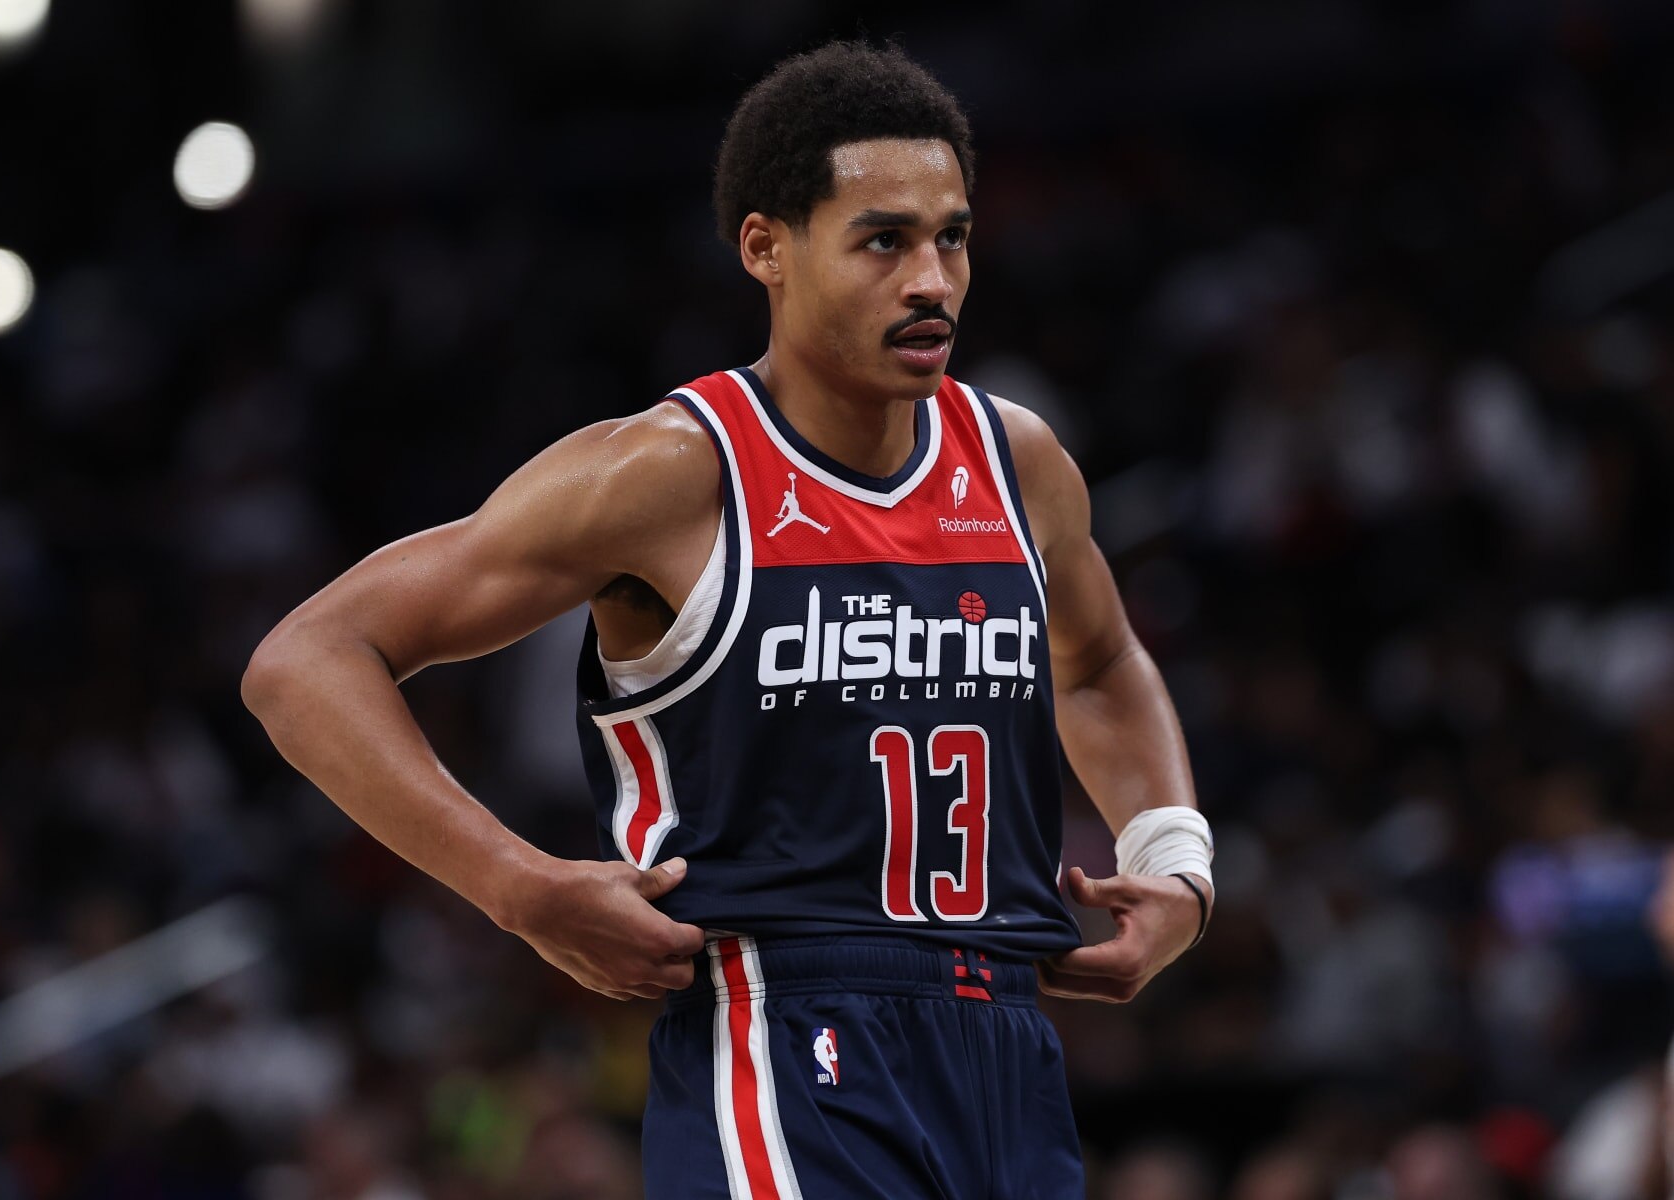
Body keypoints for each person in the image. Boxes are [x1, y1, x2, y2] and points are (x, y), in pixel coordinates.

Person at [243, 40, 1213, 1200]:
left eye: (952, 235)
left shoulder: (1020, 463)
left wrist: (1175, 861)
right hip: (780, 1037)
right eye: (884, 240)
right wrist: (517, 886)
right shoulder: (671, 473)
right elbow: (305, 660)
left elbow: (1099, 663)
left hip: (1007, 1039)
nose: (934, 281)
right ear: (768, 248)